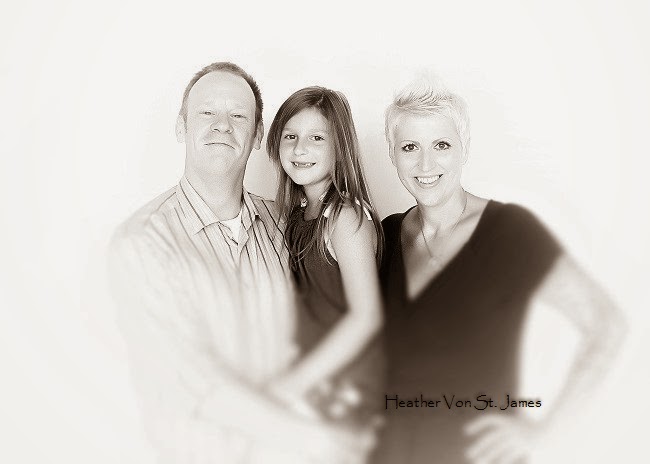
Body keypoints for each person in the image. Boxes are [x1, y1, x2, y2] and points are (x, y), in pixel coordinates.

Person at [109, 62, 375, 464]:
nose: (222, 125)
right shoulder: (143, 242)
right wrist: (316, 441)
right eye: (207, 112)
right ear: (181, 126)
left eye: (237, 115)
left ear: (256, 135)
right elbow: (191, 380)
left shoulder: (285, 222)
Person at [372, 77, 625, 464]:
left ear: (464, 147)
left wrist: (546, 432)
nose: (425, 164)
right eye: (410, 147)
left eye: (441, 145)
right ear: (392, 154)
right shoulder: (385, 235)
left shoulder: (511, 231)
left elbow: (606, 324)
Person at [265, 87, 385, 433]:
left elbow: (366, 317)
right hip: (310, 385)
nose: (299, 149)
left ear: (339, 148)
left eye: (316, 138)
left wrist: (292, 385)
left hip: (347, 390)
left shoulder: (345, 217)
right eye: (290, 136)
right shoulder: (294, 216)